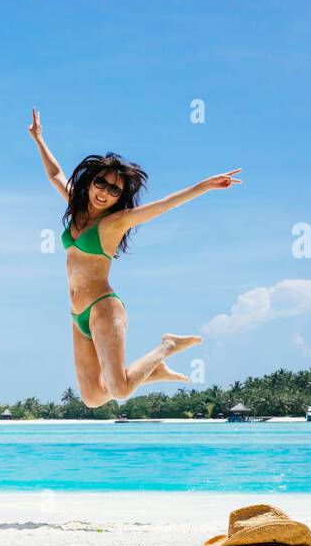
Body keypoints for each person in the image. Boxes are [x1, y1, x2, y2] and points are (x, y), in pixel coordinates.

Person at [28, 108, 241, 406]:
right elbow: (54, 174)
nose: (104, 192)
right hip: (77, 315)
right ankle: (154, 372)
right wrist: (39, 138)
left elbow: (162, 206)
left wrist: (204, 186)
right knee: (91, 398)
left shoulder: (114, 223)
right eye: (100, 183)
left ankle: (168, 345)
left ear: (120, 197)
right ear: (91, 182)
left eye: (114, 190)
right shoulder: (77, 208)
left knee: (119, 390)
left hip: (104, 309)